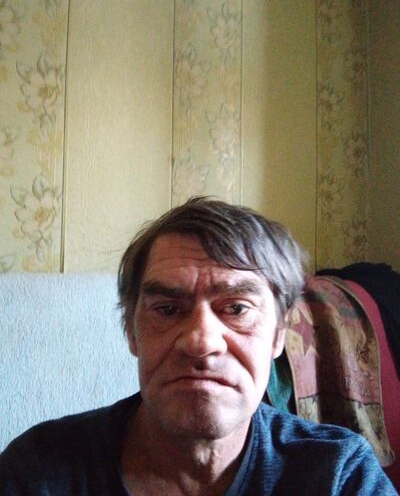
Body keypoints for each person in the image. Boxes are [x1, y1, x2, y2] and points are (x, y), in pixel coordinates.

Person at [0, 198, 396, 495]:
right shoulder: (37, 471)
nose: (201, 342)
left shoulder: (339, 475)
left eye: (237, 309)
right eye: (167, 309)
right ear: (131, 333)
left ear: (280, 335)